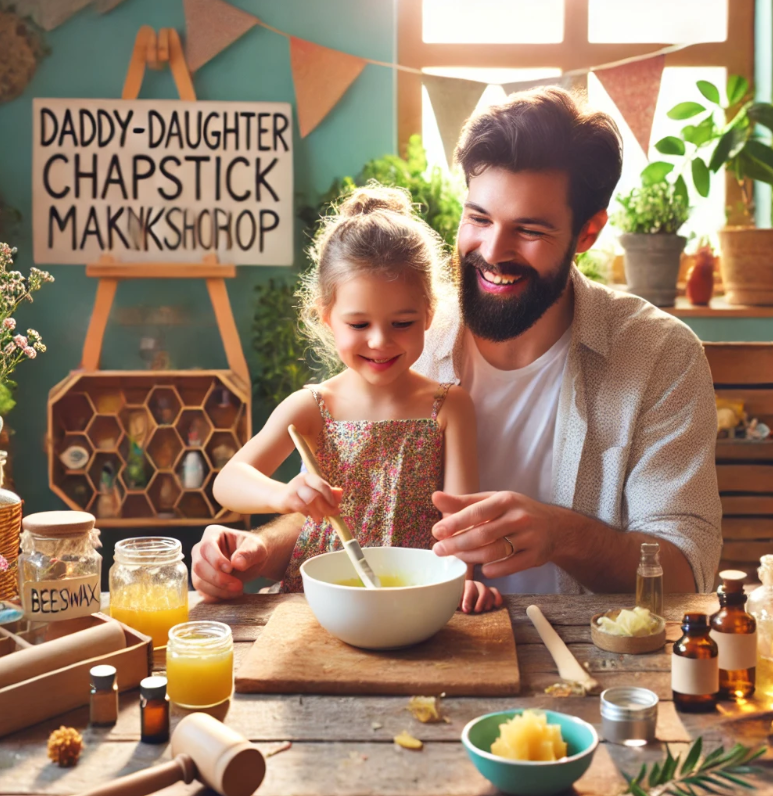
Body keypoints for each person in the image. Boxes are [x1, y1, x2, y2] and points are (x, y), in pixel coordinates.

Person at [194, 87, 722, 600]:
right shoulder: (403, 334)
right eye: (479, 218)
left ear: (588, 233)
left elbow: (686, 571)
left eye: (530, 230)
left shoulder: (659, 356)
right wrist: (260, 547)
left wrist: (563, 535)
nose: (493, 251)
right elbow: (359, 511)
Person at [210, 183, 501, 612]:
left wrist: (462, 580)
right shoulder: (310, 407)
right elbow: (228, 481)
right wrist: (284, 495)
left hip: (412, 598)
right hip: (316, 601)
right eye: (359, 324)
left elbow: (457, 526)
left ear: (428, 315)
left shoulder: (450, 406)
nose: (381, 341)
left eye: (402, 322)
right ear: (327, 315)